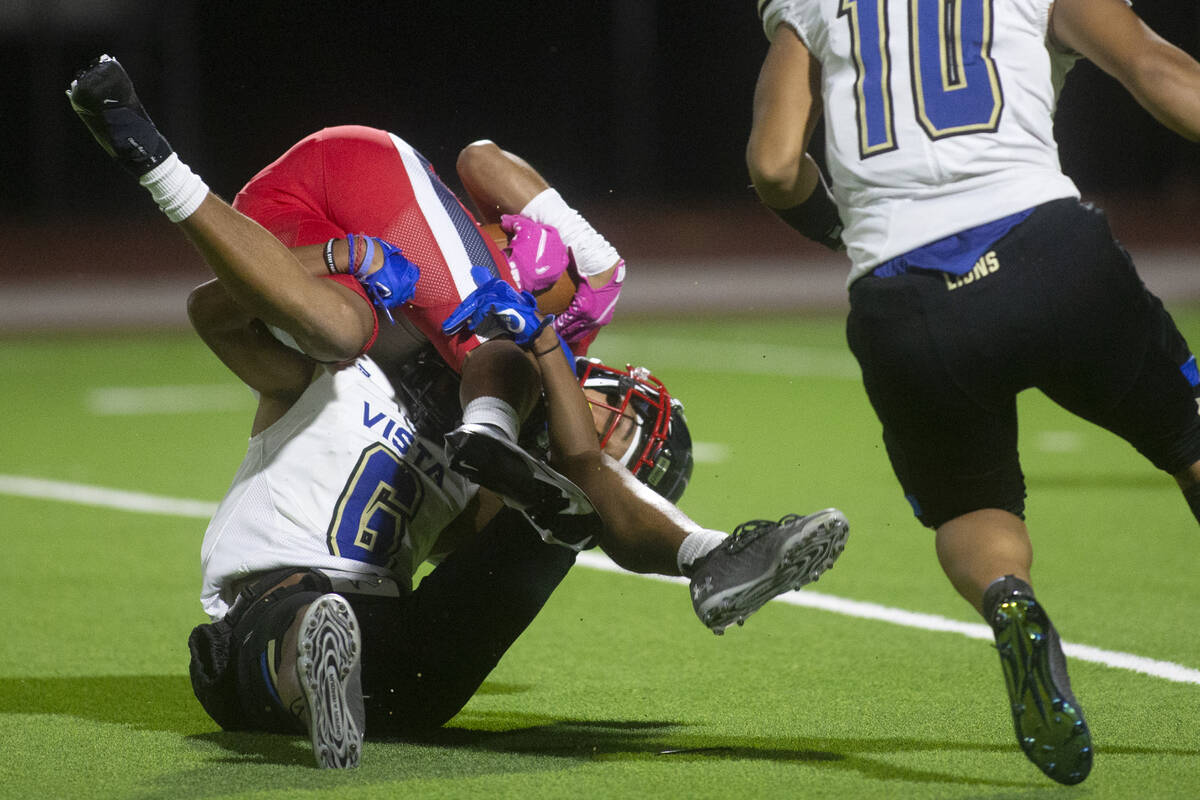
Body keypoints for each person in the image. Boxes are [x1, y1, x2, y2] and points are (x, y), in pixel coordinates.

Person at [67, 54, 851, 767]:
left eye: (629, 448)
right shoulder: (347, 361)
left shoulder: (511, 414)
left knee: (549, 531)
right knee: (356, 354)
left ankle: (707, 557)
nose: (613, 438)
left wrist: (564, 422)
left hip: (390, 639)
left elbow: (576, 475)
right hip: (272, 601)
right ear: (600, 388)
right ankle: (153, 156)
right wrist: (345, 256)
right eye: (622, 425)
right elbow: (211, 312)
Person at [747, 0, 1200, 785]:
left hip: (903, 292)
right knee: (1191, 442)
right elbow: (1159, 71)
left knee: (972, 506)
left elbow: (775, 164)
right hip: (1046, 250)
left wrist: (844, 232)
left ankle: (1007, 596)